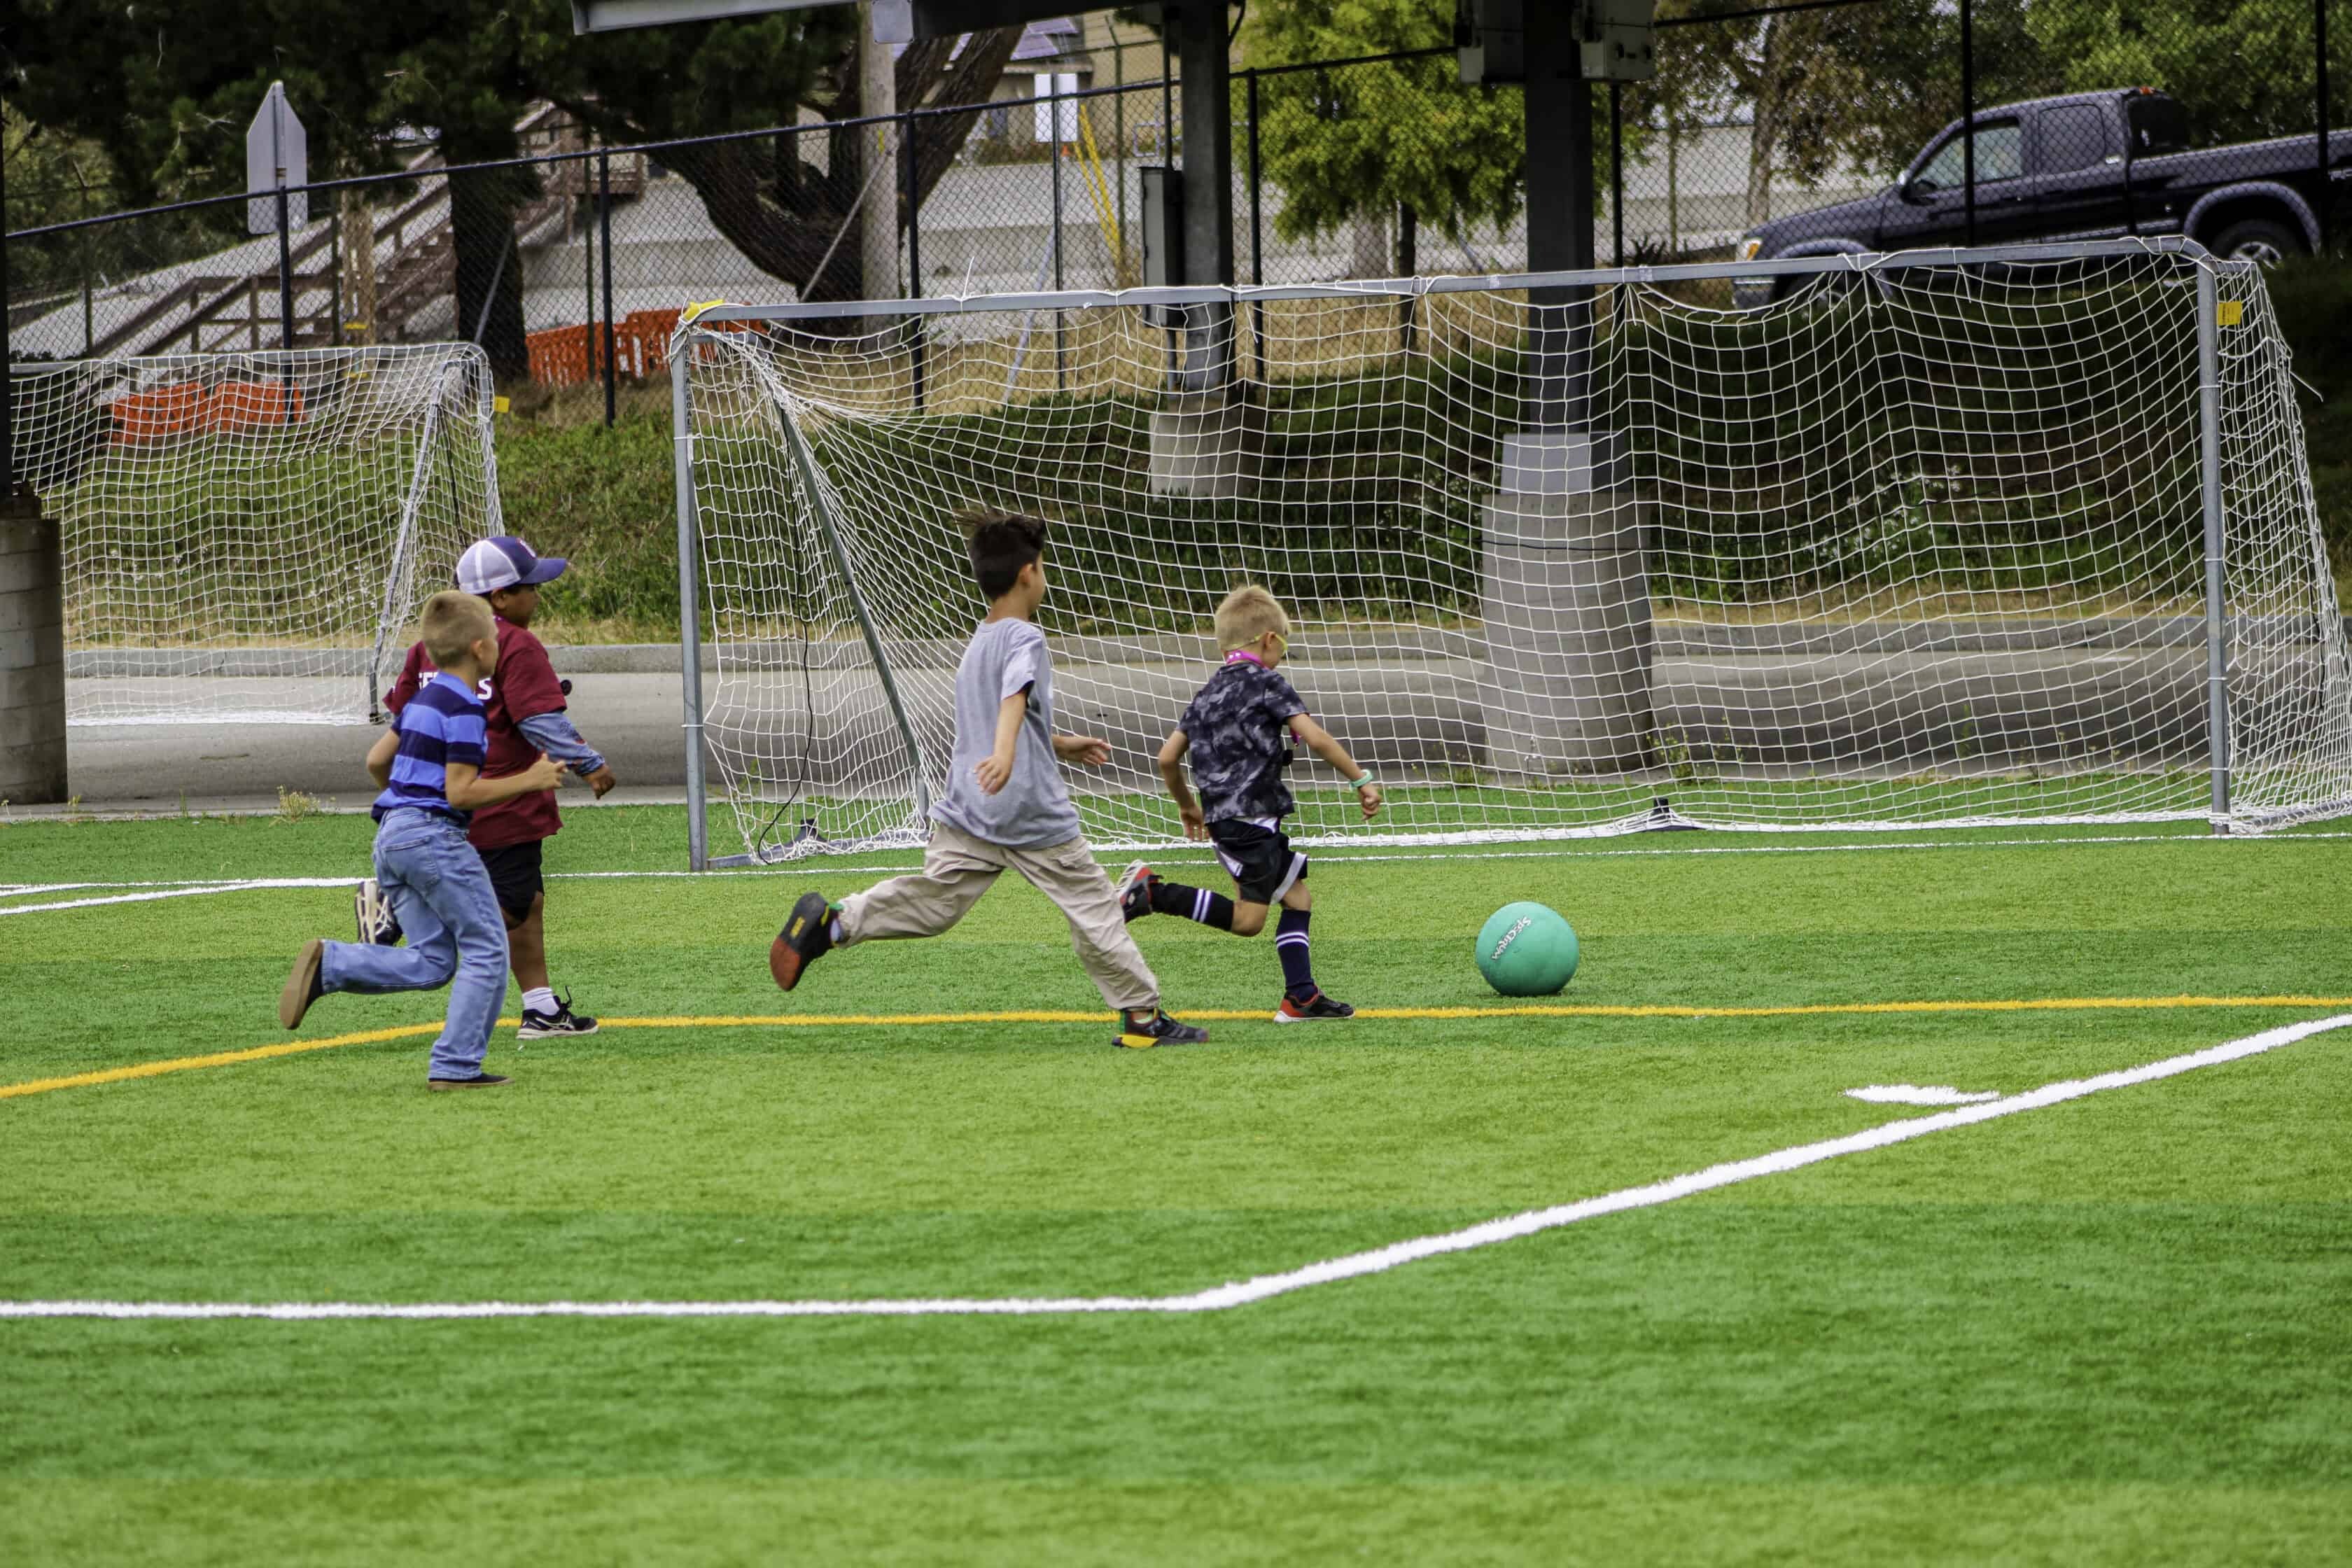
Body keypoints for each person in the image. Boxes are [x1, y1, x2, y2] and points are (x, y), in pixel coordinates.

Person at [766, 512, 1210, 1050]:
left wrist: (1058, 743)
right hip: (1027, 812)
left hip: (970, 807)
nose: (1044, 577)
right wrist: (1005, 755)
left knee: (934, 903)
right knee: (1094, 908)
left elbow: (1001, 716)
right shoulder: (1027, 637)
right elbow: (1014, 698)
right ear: (1028, 574)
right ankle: (1142, 1021)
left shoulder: (979, 642)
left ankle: (836, 923)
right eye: (1043, 568)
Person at [279, 591, 568, 1089]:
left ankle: (333, 964)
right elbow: (460, 792)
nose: (501, 646)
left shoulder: (419, 702)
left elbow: (376, 762)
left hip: (393, 836)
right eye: (496, 640)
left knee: (435, 962)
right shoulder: (465, 709)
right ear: (480, 650)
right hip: (434, 839)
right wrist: (532, 779)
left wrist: (406, 812)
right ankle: (456, 1066)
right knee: (487, 948)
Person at [359, 536, 615, 1042]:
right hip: (503, 804)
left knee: (531, 901)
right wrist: (591, 765)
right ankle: (400, 909)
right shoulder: (516, 645)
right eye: (530, 587)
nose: (538, 597)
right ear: (499, 598)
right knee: (513, 902)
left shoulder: (429, 646)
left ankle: (540, 1008)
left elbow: (400, 728)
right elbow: (540, 721)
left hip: (445, 806)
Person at [1116, 584, 1382, 1023]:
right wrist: (1361, 780)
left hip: (1234, 820)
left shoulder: (1206, 695)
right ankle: (1152, 893)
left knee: (1298, 898)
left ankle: (1301, 998)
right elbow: (1313, 737)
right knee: (1248, 921)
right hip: (1250, 822)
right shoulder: (1267, 683)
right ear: (1269, 641)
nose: (1282, 656)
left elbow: (1167, 758)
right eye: (1283, 647)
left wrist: (1187, 805)